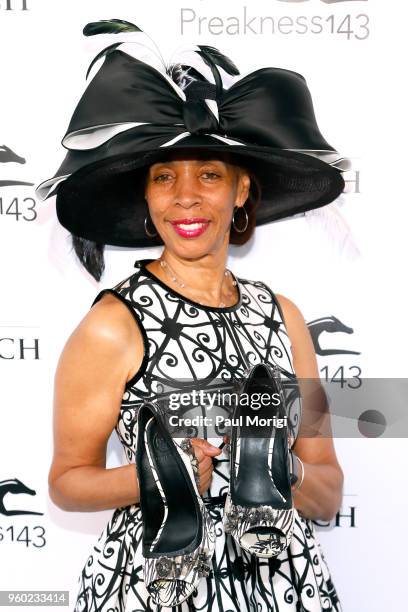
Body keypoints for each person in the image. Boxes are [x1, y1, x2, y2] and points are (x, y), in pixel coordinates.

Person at [35, 20, 346, 611]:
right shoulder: (114, 323)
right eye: (164, 177)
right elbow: (66, 482)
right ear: (147, 198)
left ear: (242, 189)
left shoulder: (284, 317)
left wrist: (285, 473)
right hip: (158, 585)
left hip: (286, 587)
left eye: (208, 174)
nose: (185, 196)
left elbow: (329, 493)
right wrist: (158, 475)